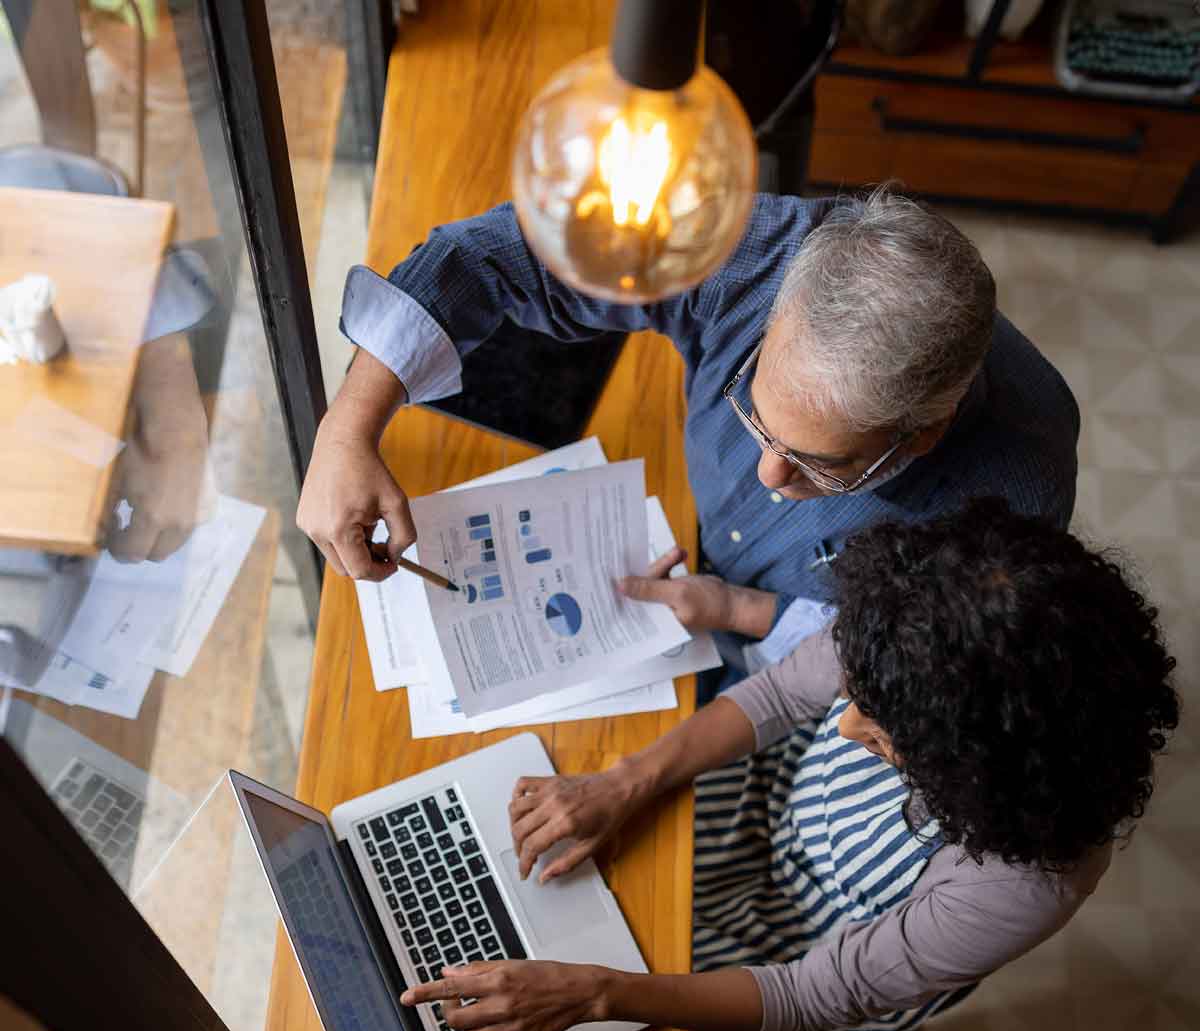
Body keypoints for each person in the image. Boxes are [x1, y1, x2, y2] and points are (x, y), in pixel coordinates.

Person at [398, 499, 1178, 1031]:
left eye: (879, 737)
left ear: (974, 773)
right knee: (525, 888)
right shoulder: (921, 626)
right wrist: (623, 782)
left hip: (809, 948)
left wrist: (599, 993)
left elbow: (813, 993)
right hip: (770, 798)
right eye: (859, 707)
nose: (843, 730)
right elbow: (779, 701)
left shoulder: (1026, 886)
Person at [297, 188, 1080, 690]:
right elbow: (491, 257)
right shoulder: (761, 256)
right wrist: (347, 428)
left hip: (772, 655)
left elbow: (909, 664)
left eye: (822, 465)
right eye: (756, 414)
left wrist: (737, 610)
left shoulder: (1018, 494)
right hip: (667, 535)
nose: (771, 474)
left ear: (923, 435)